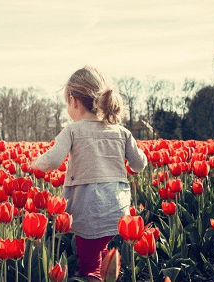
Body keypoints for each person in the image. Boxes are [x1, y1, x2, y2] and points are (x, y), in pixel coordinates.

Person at [30, 66, 147, 282]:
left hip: (88, 207)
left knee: (89, 267)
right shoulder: (122, 132)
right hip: (118, 208)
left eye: (67, 103)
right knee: (103, 253)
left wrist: (35, 163)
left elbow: (54, 160)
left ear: (73, 101)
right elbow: (139, 164)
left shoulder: (73, 130)